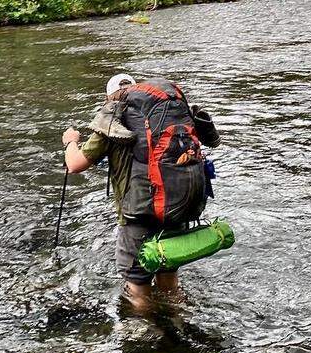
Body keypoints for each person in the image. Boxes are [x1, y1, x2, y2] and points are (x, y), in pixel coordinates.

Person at [63, 74, 221, 309]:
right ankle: (178, 319)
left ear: (110, 97)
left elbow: (75, 164)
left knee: (137, 284)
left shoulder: (113, 117)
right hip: (175, 203)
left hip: (138, 212)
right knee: (168, 276)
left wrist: (70, 141)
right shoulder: (166, 113)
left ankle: (147, 334)